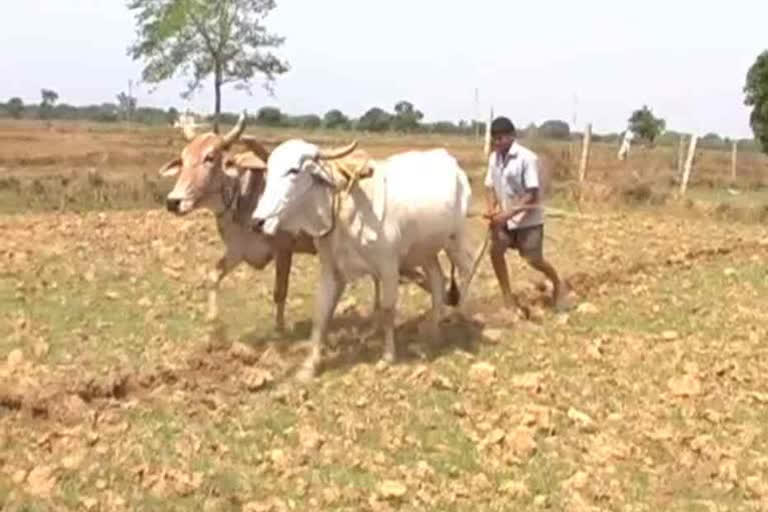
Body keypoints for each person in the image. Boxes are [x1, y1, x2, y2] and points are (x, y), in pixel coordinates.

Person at [483, 116, 568, 312]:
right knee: (495, 251)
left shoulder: (526, 158)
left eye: (500, 138)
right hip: (504, 219)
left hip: (528, 220)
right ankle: (507, 296)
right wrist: (490, 209)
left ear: (511, 136)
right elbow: (489, 186)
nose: (496, 142)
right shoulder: (493, 158)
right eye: (494, 138)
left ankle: (556, 281)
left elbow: (532, 194)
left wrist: (507, 215)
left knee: (533, 259)